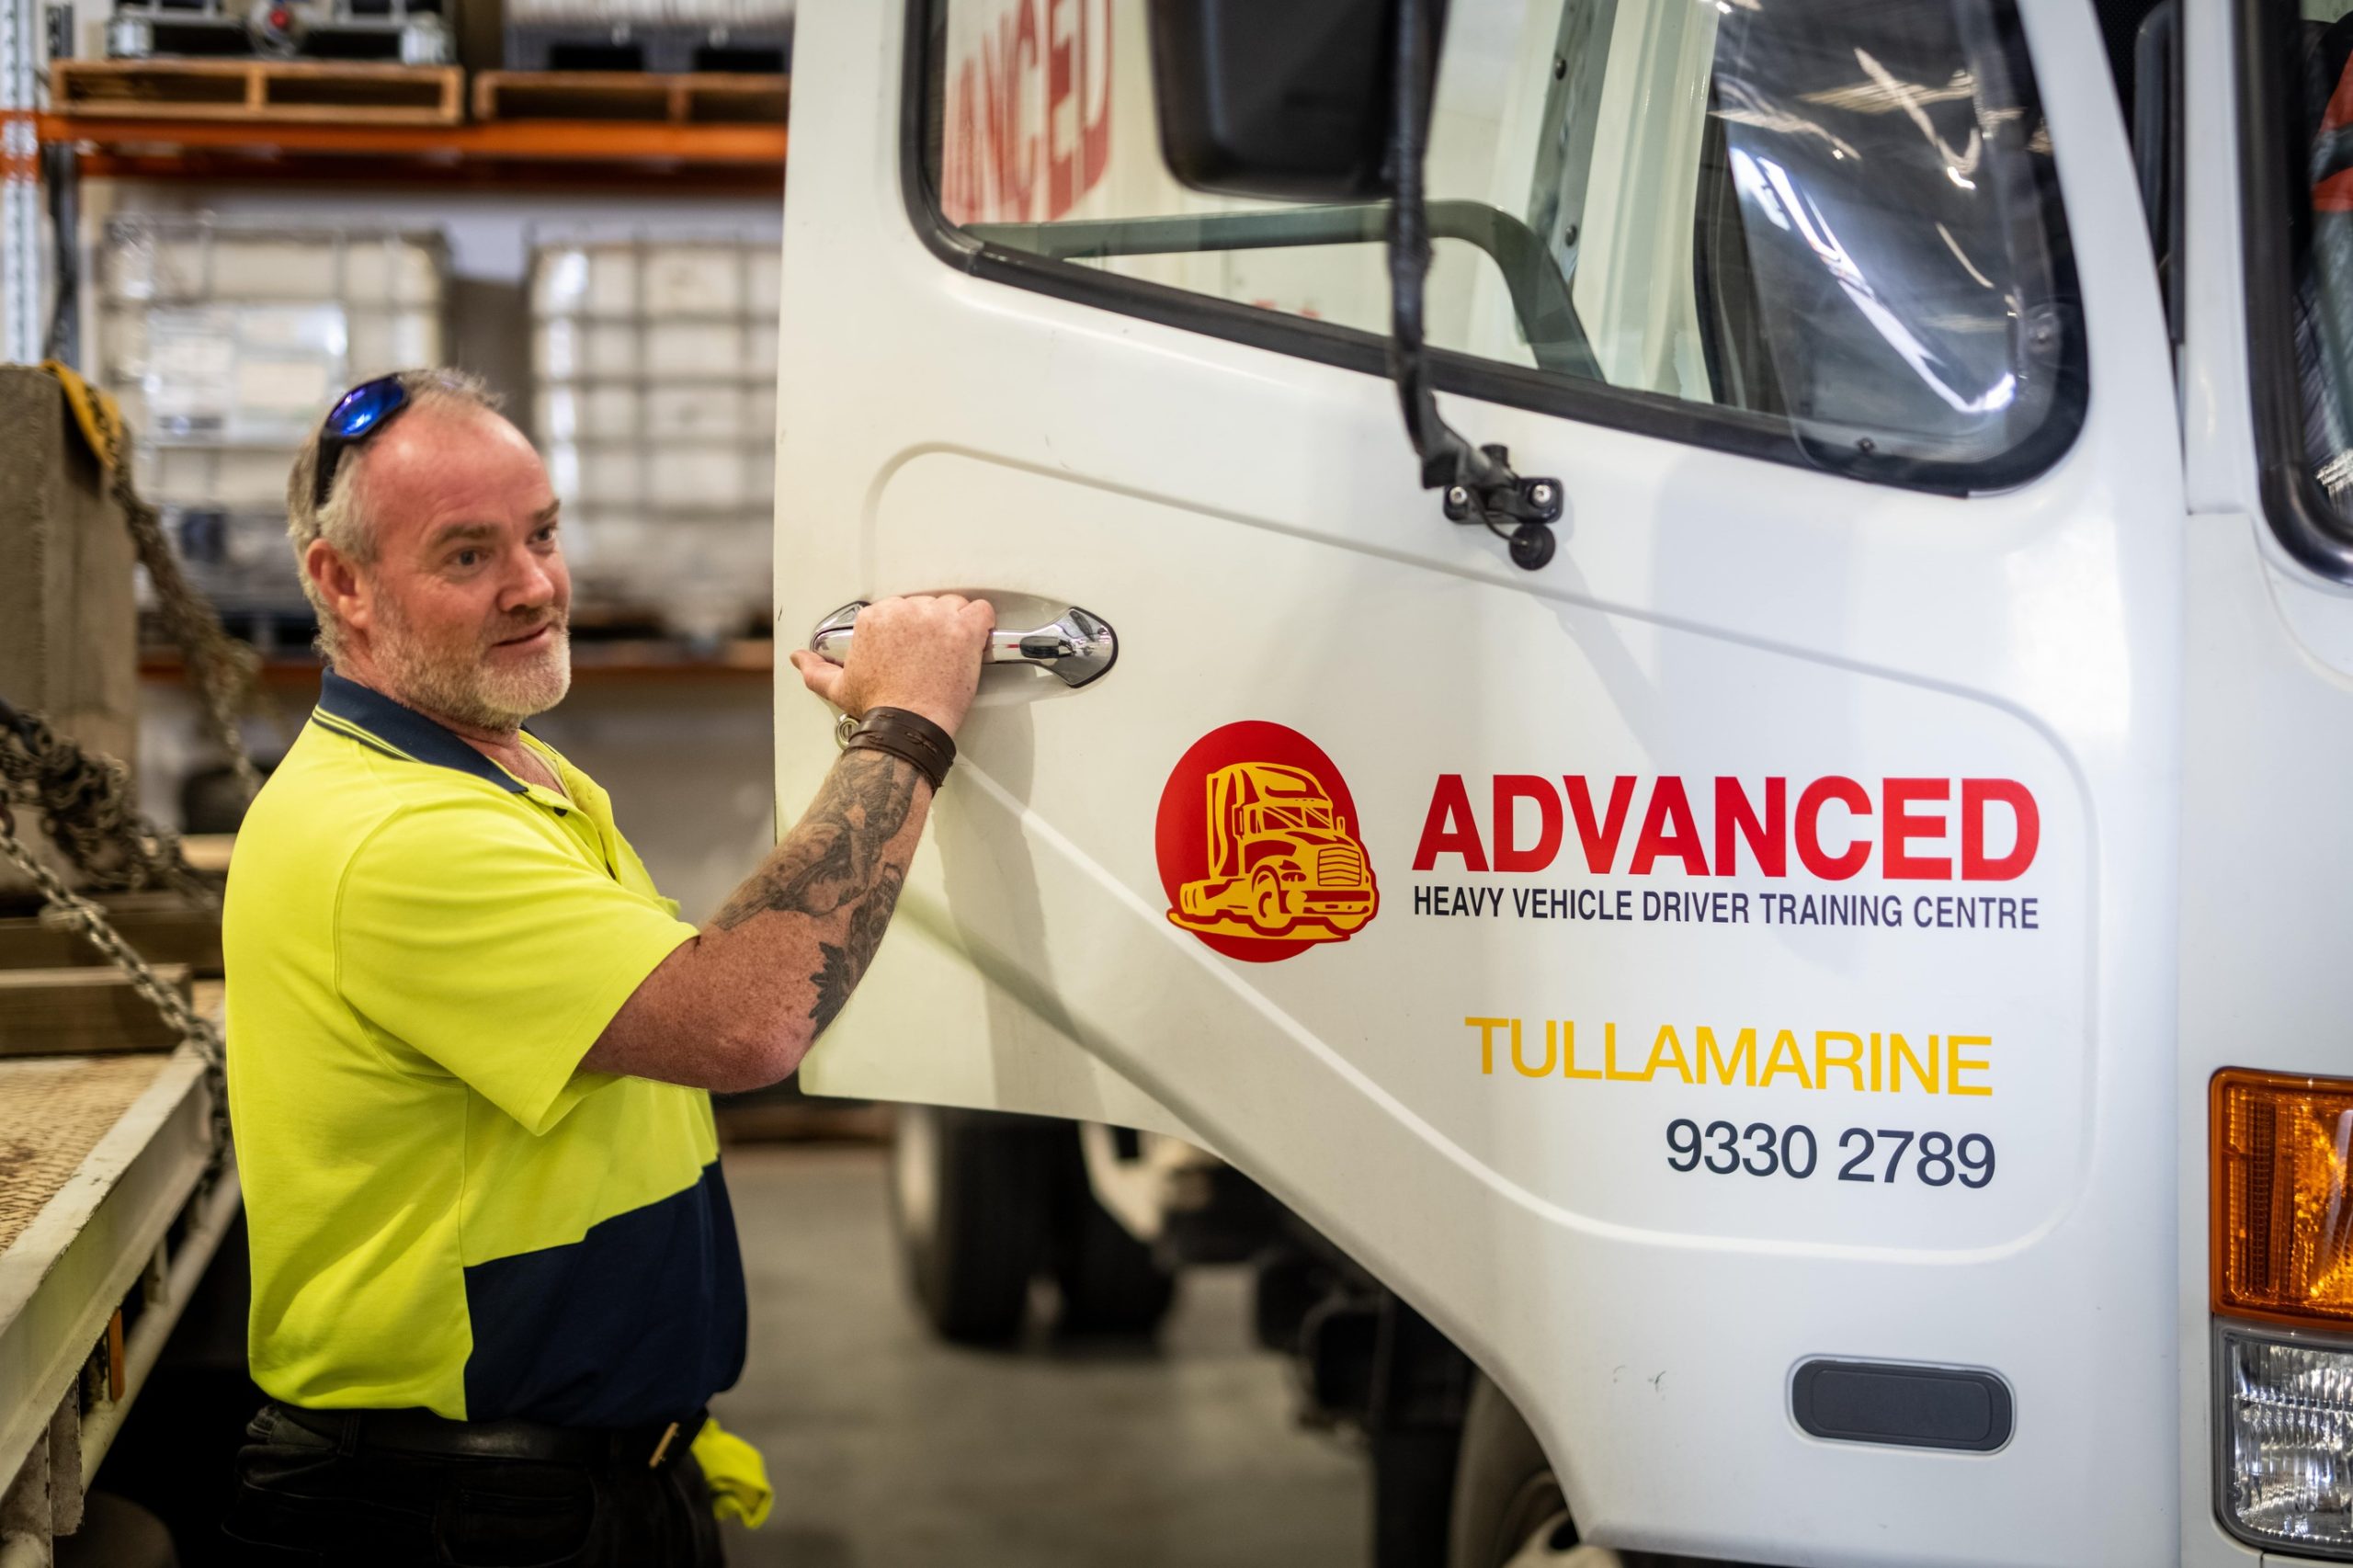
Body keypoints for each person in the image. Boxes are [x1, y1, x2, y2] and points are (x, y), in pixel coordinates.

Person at [220, 368, 993, 1566]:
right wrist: (907, 723)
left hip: (562, 1483)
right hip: (457, 1519)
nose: (535, 585)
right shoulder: (396, 835)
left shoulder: (503, 773)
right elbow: (743, 1019)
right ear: (343, 583)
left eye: (541, 533)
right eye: (468, 554)